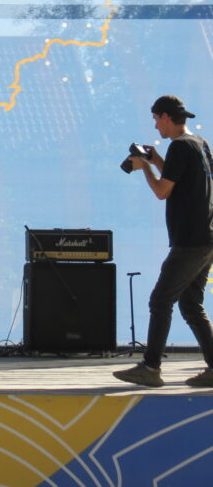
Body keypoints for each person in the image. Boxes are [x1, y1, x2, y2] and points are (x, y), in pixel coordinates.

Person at [114, 95, 213, 388]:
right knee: (191, 305)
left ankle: (150, 367)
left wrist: (143, 166)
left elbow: (162, 191)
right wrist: (155, 159)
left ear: (166, 117)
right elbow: (181, 177)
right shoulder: (199, 144)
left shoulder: (180, 146)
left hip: (190, 240)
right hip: (206, 238)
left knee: (160, 300)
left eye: (156, 120)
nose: (156, 126)